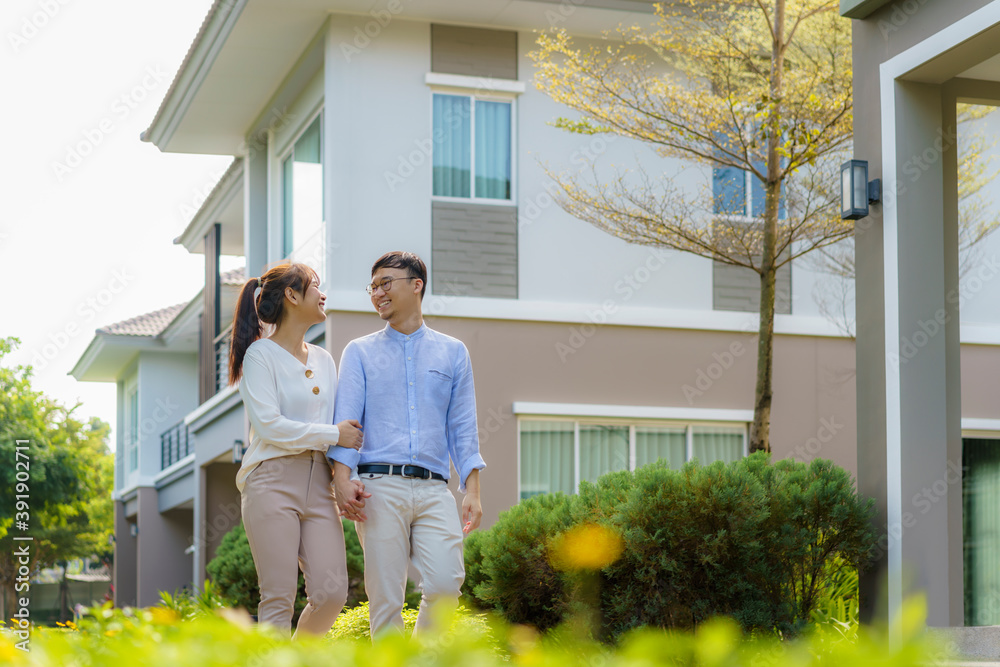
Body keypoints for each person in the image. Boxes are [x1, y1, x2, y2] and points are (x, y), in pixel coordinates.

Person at [328, 250, 486, 638]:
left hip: (435, 488)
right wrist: (341, 479)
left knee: (447, 585)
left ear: (416, 285)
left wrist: (473, 490)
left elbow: (462, 426)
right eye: (373, 286)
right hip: (378, 487)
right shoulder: (359, 352)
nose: (377, 293)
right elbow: (346, 424)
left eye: (386, 283)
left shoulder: (453, 352)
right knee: (386, 600)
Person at [228, 262, 365, 638]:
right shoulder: (259, 356)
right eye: (315, 287)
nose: (323, 295)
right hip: (271, 480)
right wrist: (333, 434)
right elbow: (269, 426)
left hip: (319, 484)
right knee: (278, 597)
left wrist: (342, 474)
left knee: (333, 591)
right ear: (291, 295)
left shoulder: (323, 359)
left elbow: (344, 425)